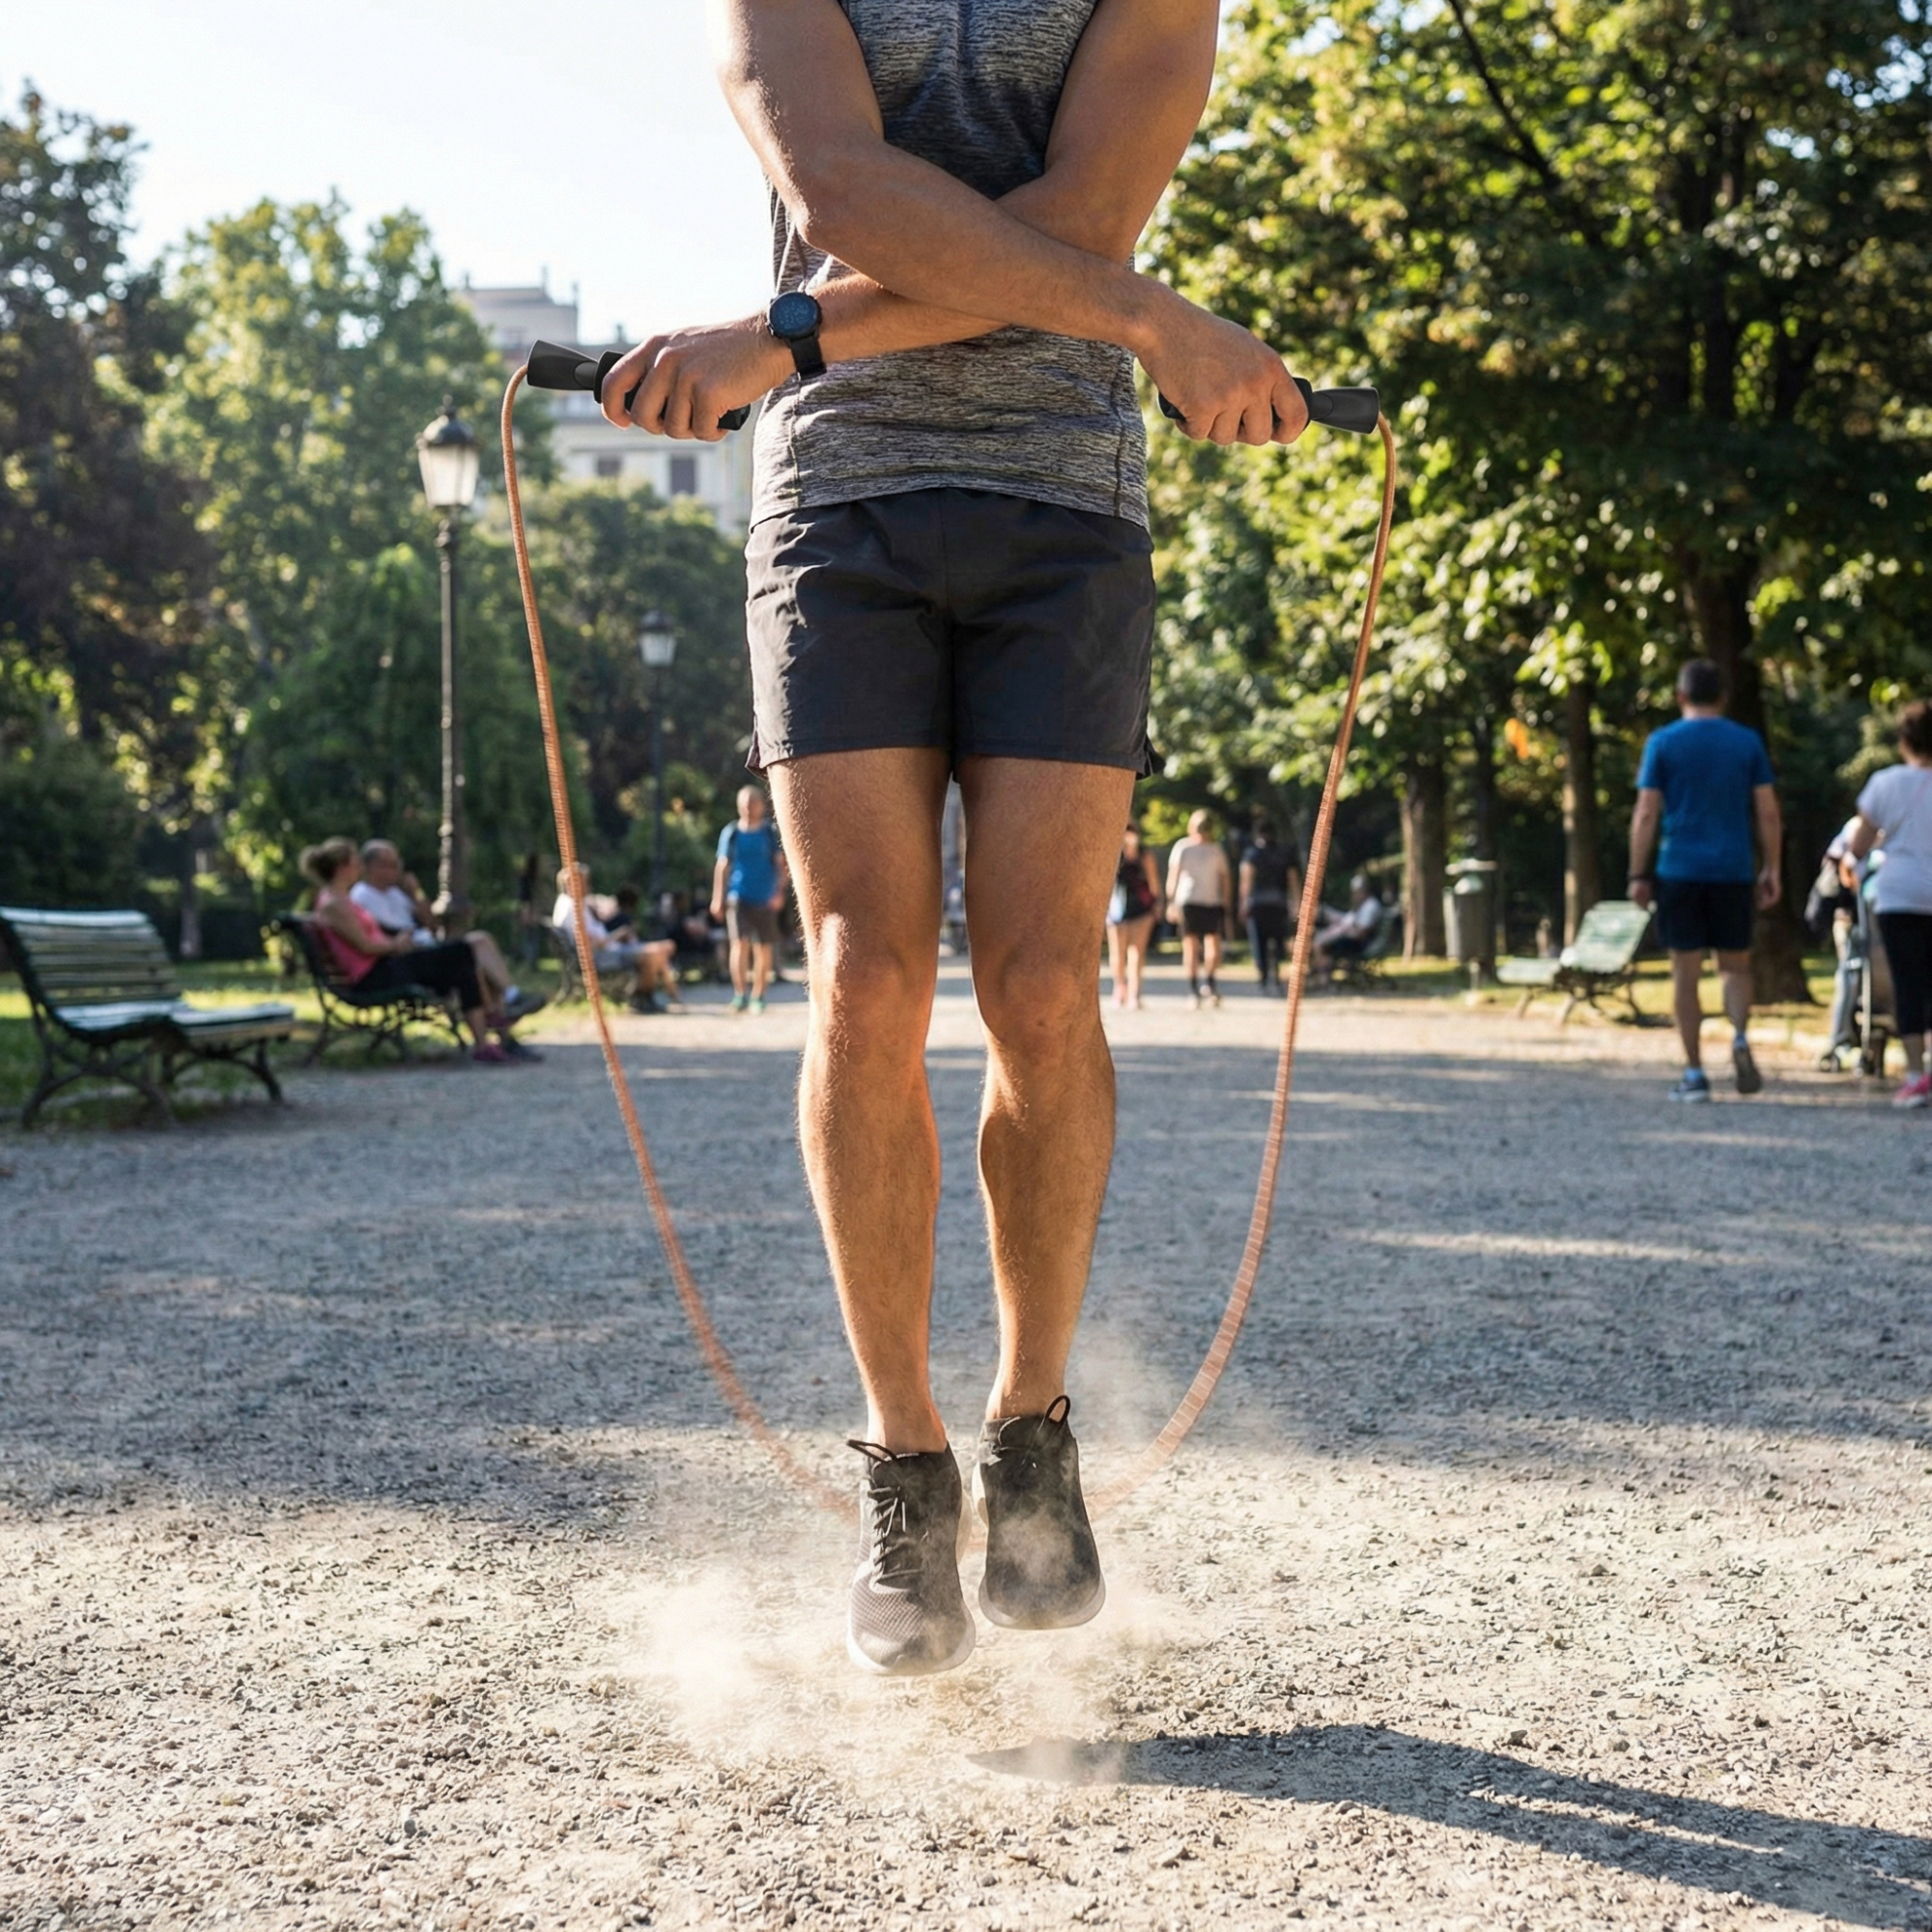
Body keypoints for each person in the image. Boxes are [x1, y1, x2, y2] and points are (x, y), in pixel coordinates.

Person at [597, 0, 1313, 1677]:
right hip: (840, 505)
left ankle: (1032, 1422)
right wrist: (1156, 324)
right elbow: (845, 190)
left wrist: (774, 341)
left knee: (1046, 984)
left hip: (1064, 504)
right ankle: (907, 1465)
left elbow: (1078, 224)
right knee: (862, 971)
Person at [1628, 659, 1782, 1102]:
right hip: (1733, 870)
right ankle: (1738, 1036)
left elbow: (1645, 812)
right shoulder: (1746, 742)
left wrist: (1638, 872)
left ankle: (1694, 1073)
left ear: (1680, 696)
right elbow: (1768, 811)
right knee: (1735, 966)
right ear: (1723, 697)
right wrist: (1771, 867)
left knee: (1685, 973)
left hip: (1679, 870)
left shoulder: (1662, 743)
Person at [301, 838, 515, 1064]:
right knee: (460, 951)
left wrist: (399, 941)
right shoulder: (334, 904)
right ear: (342, 867)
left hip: (383, 967)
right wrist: (397, 944)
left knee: (460, 960)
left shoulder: (341, 899)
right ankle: (490, 1020)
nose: (359, 868)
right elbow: (365, 945)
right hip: (371, 976)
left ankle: (484, 1040)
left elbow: (374, 939)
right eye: (355, 863)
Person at [350, 840, 545, 1034]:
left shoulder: (397, 894)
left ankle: (505, 1029)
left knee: (479, 956)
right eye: (386, 865)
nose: (393, 870)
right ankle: (509, 1000)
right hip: (405, 960)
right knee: (473, 949)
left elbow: (432, 925)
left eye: (396, 864)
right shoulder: (362, 896)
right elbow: (388, 935)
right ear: (368, 866)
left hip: (425, 949)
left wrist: (415, 893)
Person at [1843, 698, 1932, 1108]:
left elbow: (1858, 843)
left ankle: (1916, 1074)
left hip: (1900, 895)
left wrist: (1852, 862)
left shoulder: (1885, 782)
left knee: (1909, 984)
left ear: (1904, 741)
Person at [552, 864, 683, 1013]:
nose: (588, 885)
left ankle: (659, 994)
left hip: (606, 950)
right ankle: (645, 997)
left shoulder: (573, 903)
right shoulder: (571, 906)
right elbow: (589, 942)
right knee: (654, 954)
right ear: (572, 882)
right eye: (585, 881)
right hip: (599, 956)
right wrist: (616, 936)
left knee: (664, 947)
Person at [710, 786, 789, 1015]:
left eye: (751, 803)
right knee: (739, 944)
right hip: (738, 896)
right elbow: (722, 866)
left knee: (763, 948)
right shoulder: (732, 832)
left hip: (765, 898)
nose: (747, 807)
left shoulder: (769, 832)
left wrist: (778, 893)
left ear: (760, 805)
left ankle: (759, 995)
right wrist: (718, 897)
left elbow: (780, 864)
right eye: (743, 803)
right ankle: (740, 994)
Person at [1165, 810, 1232, 1008]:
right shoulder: (1183, 848)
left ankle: (1210, 982)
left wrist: (1225, 901)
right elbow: (1173, 876)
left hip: (1211, 901)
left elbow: (1224, 877)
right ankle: (1193, 988)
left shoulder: (1216, 850)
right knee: (1191, 947)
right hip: (1189, 901)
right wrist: (1171, 902)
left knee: (1213, 946)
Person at [1239, 817, 1302, 996]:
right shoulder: (1284, 853)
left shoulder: (1251, 854)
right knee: (1277, 941)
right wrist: (1296, 903)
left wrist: (1243, 903)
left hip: (1257, 904)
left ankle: (1263, 977)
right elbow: (1293, 880)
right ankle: (1275, 976)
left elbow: (1246, 881)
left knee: (1259, 943)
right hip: (1278, 903)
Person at [1105, 822, 1161, 1009]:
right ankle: (1119, 988)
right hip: (1116, 909)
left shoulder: (1145, 855)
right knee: (1117, 953)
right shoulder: (1112, 854)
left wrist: (1157, 904)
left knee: (1137, 952)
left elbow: (1153, 882)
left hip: (1141, 909)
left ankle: (1135, 993)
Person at [1313, 874, 1383, 973]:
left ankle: (1323, 977)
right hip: (1353, 939)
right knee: (1320, 939)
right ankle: (1321, 974)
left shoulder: (1371, 906)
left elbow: (1361, 933)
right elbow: (1347, 920)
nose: (1354, 896)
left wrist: (1342, 930)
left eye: (1356, 892)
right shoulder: (1361, 906)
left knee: (1323, 945)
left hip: (1360, 943)